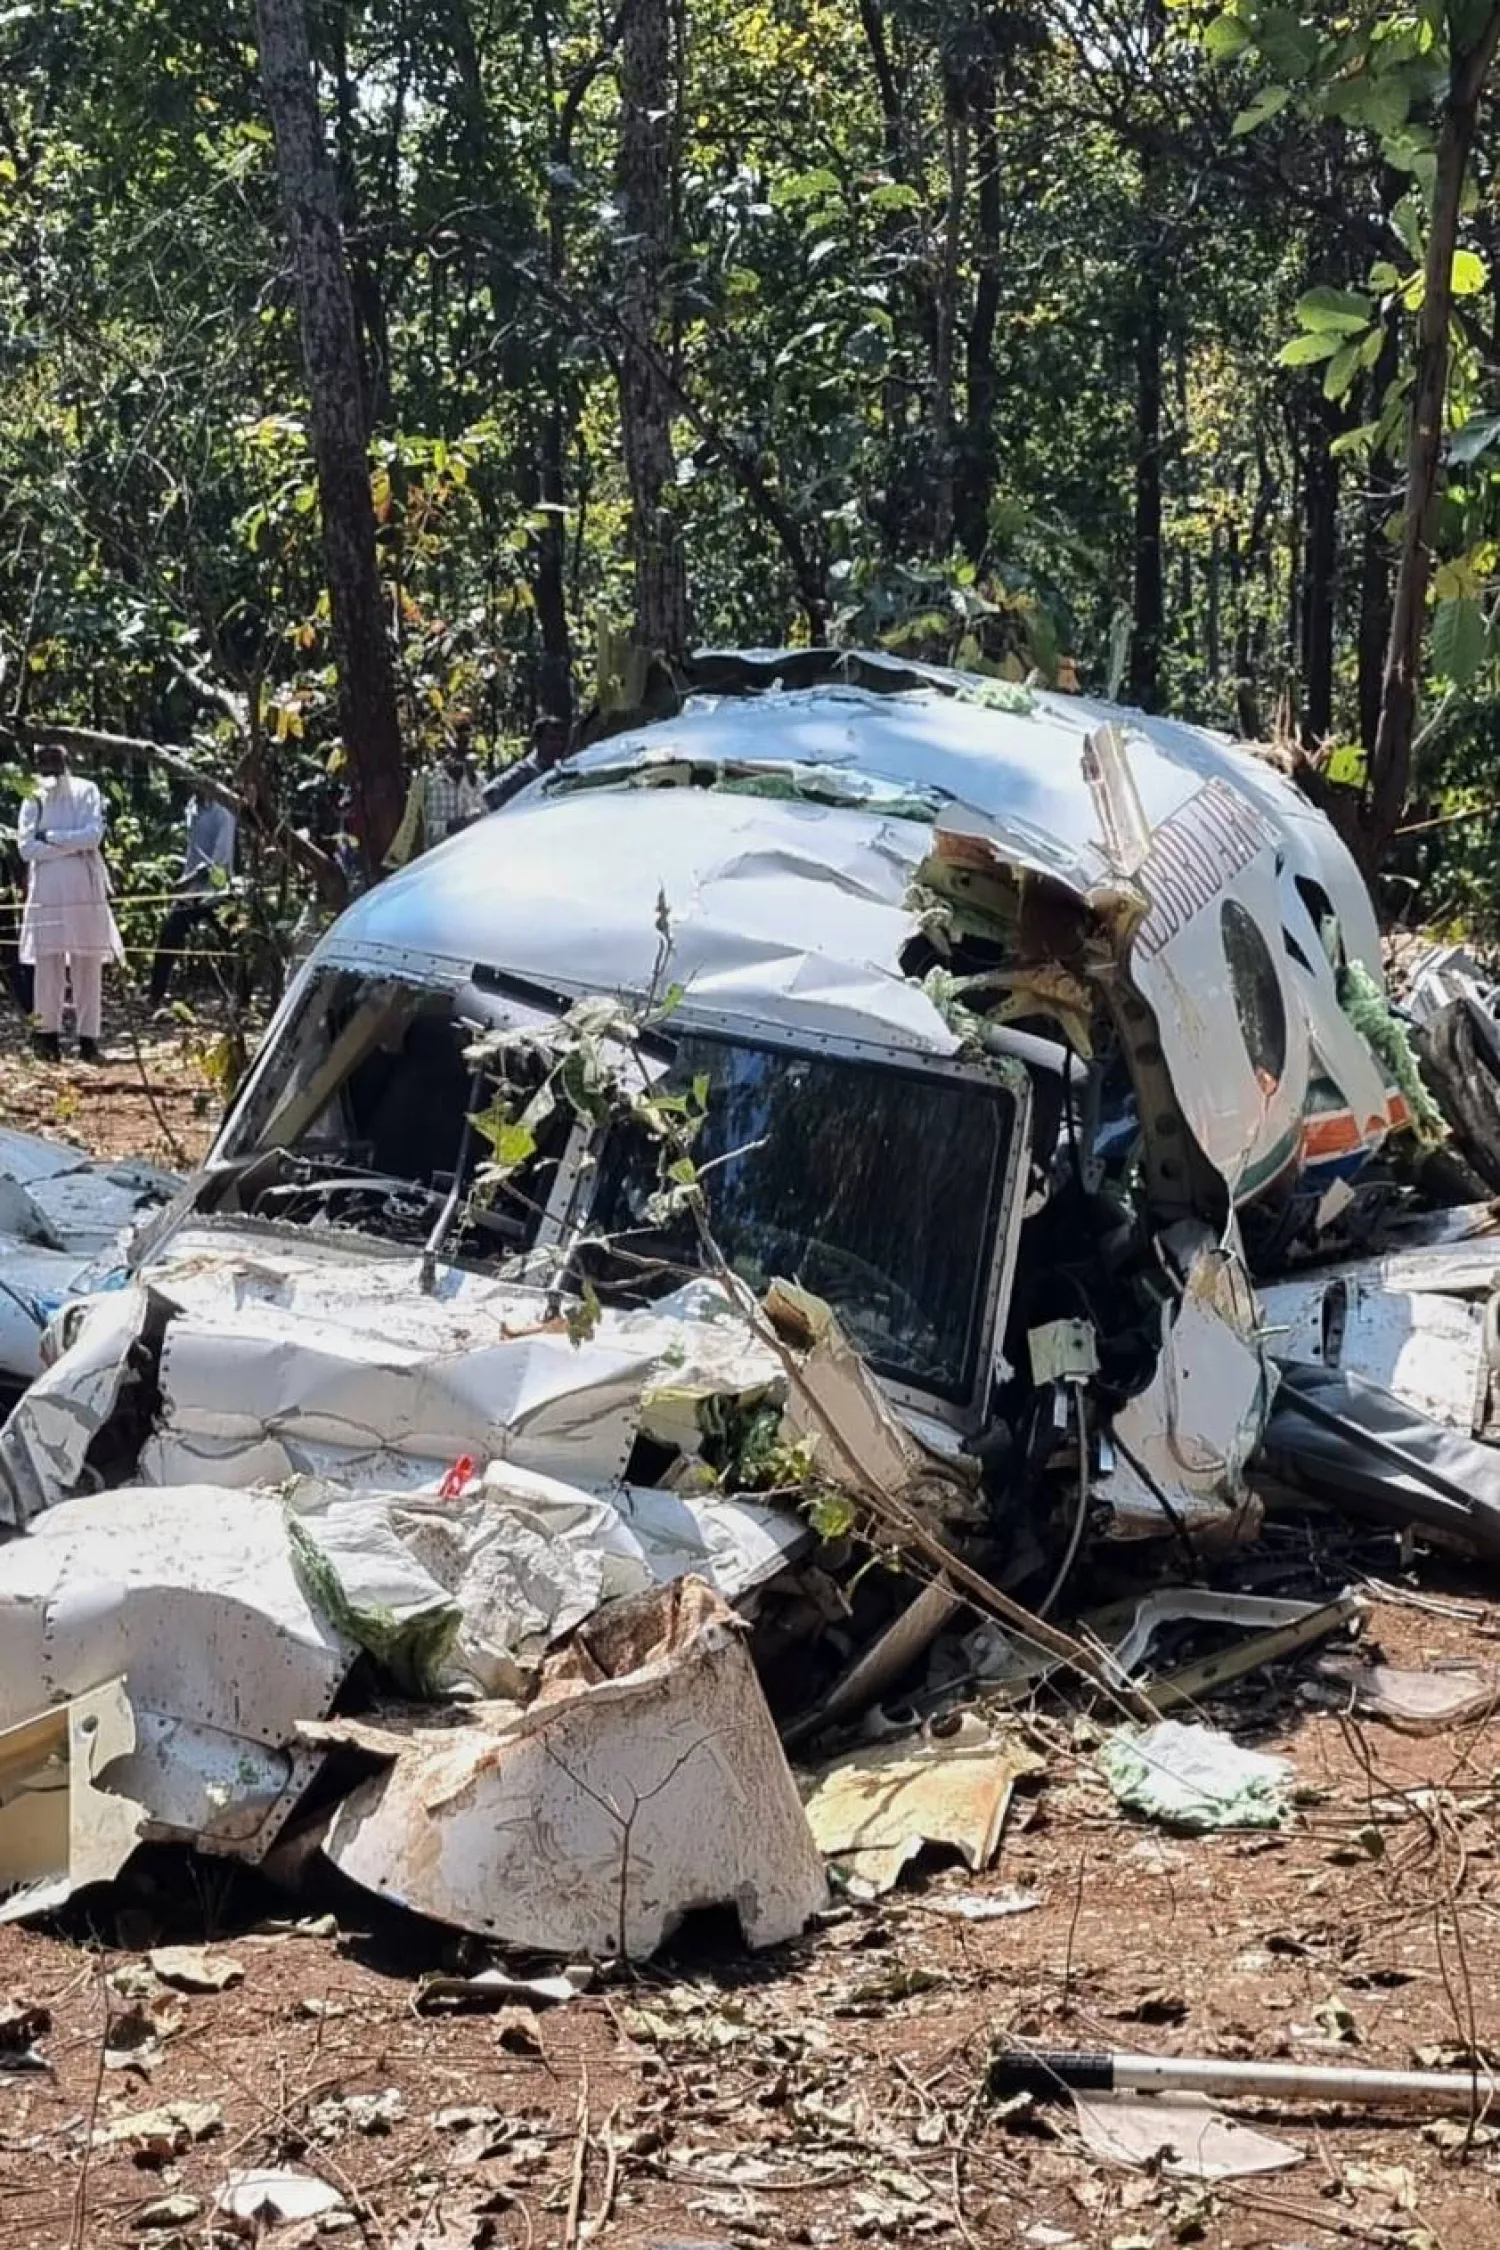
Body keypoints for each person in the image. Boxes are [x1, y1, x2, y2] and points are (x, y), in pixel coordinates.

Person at [18, 744, 123, 1064]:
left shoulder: (86, 790)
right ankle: (47, 1037)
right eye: (43, 760)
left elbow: (92, 836)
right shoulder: (32, 796)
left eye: (54, 759)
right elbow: (26, 848)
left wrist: (50, 837)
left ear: (66, 761)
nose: (49, 766)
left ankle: (88, 1039)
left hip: (83, 889)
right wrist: (68, 843)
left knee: (86, 964)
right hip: (47, 892)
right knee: (47, 965)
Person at [148, 794, 237, 1010]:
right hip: (190, 892)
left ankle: (241, 998)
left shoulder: (223, 814)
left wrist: (187, 881)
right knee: (169, 936)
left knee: (232, 943)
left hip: (217, 890)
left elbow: (218, 862)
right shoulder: (192, 807)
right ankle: (154, 997)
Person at [383, 720, 487, 868]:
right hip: (439, 864)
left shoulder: (480, 782)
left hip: (473, 860)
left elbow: (488, 818)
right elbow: (415, 826)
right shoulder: (428, 783)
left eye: (466, 745)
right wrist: (449, 827)